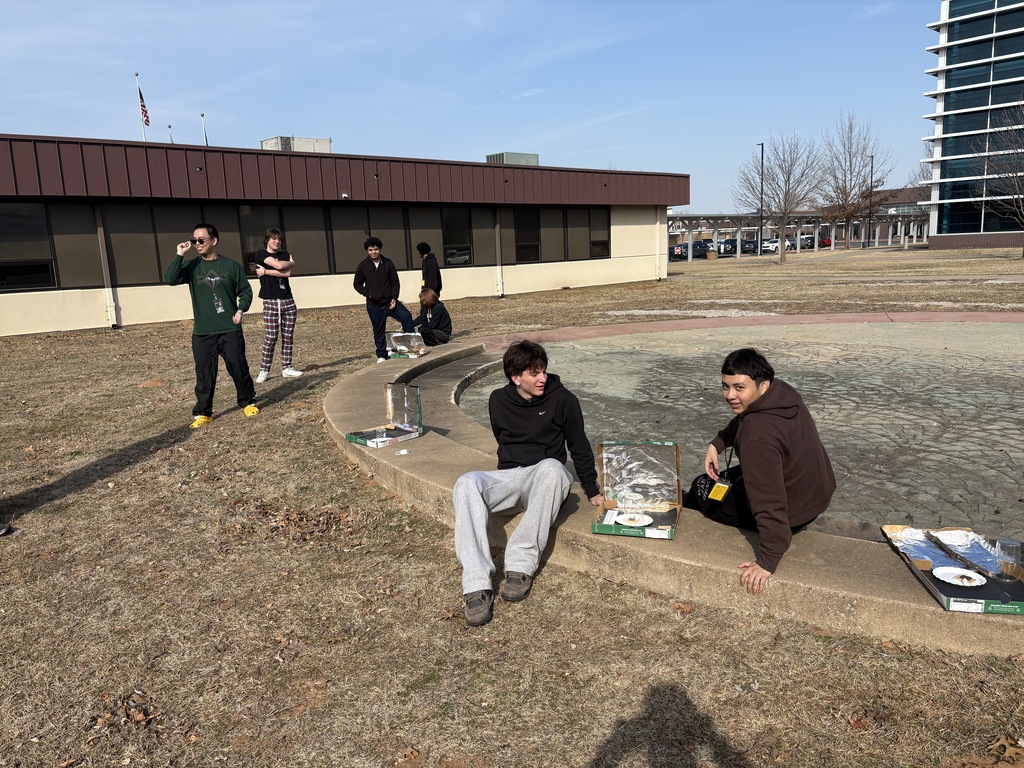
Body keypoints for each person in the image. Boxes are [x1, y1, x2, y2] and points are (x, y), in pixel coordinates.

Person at [454, 340, 605, 627]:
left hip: (546, 477)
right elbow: (503, 439)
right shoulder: (498, 400)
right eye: (534, 373)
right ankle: (476, 585)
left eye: (544, 371)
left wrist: (592, 490)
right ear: (516, 377)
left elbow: (579, 446)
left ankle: (519, 567)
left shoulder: (564, 400)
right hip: (512, 477)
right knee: (466, 482)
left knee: (553, 467)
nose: (542, 378)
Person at [683, 348, 835, 595]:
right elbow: (744, 417)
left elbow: (768, 499)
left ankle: (690, 505)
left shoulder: (757, 436)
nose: (730, 395)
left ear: (761, 385)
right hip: (815, 497)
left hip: (791, 513)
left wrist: (768, 560)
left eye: (739, 388)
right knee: (731, 477)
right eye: (725, 386)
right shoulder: (781, 392)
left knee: (701, 485)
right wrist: (719, 442)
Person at [164, 223, 259, 429]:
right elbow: (169, 279)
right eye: (194, 240)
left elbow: (245, 291)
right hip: (203, 332)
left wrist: (241, 309)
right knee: (205, 372)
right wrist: (180, 254)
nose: (196, 244)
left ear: (214, 241)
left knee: (238, 366)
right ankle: (203, 412)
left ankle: (248, 401)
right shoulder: (191, 266)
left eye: (201, 240)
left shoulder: (231, 266)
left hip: (229, 329)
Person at [352, 237, 414, 363]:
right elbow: (357, 284)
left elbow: (395, 282)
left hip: (389, 302)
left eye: (376, 249)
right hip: (374, 306)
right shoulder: (363, 266)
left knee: (407, 316)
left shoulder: (388, 263)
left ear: (379, 249)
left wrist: (394, 298)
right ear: (367, 251)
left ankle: (410, 348)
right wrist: (368, 294)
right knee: (378, 329)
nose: (373, 252)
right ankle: (381, 355)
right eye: (370, 250)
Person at [254, 228, 303, 383]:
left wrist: (266, 272)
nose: (276, 241)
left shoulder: (285, 254)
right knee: (271, 337)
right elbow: (281, 267)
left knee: (288, 336)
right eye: (273, 238)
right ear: (267, 240)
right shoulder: (261, 253)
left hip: (288, 300)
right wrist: (289, 264)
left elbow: (286, 273)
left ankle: (287, 367)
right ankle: (264, 370)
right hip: (270, 301)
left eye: (279, 239)